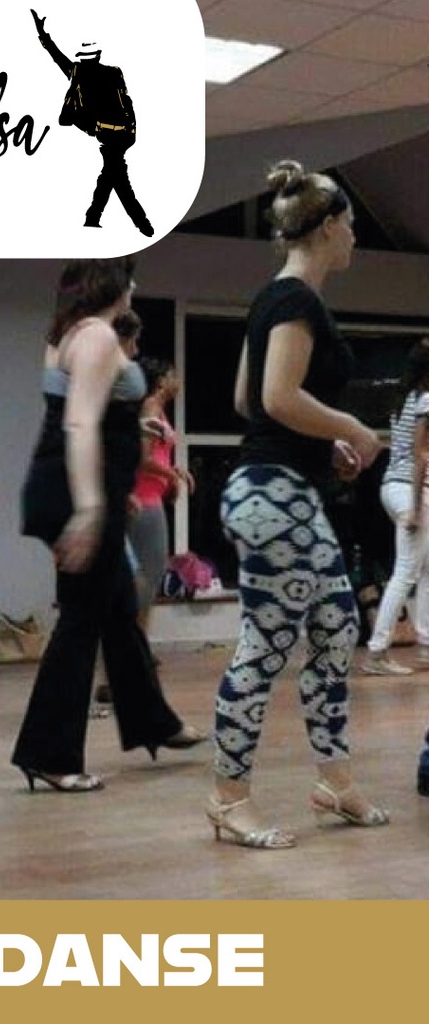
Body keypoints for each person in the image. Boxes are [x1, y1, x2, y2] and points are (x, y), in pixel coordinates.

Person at [209, 160, 389, 849]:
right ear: (328, 226)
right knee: (265, 645)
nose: (355, 237)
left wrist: (324, 443)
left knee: (338, 627)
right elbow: (278, 398)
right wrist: (352, 429)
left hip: (283, 489)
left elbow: (246, 399)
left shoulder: (274, 298)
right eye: (351, 224)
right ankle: (228, 798)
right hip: (272, 495)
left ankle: (334, 782)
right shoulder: (296, 301)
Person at [12, 259, 203, 793]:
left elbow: (90, 418)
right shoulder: (96, 336)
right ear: (113, 285)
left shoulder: (68, 333)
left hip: (71, 487)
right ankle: (49, 755)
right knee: (81, 620)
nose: (135, 286)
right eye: (129, 278)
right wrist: (92, 508)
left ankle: (152, 721)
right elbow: (78, 424)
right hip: (75, 494)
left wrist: (116, 488)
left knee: (120, 609)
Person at [30, 8, 152, 236]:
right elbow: (127, 102)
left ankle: (136, 223)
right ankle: (98, 219)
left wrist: (43, 35)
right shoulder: (114, 72)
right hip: (122, 134)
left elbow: (57, 57)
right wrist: (131, 130)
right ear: (98, 55)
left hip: (109, 134)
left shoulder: (79, 71)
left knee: (115, 179)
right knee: (112, 176)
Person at [361, 340, 429, 676]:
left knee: (426, 568)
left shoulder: (403, 401)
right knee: (406, 572)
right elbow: (421, 457)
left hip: (392, 486)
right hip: (410, 491)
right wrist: (415, 507)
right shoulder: (427, 401)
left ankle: (426, 646)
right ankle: (376, 653)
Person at [128, 358, 194, 628]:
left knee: (148, 571)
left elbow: (156, 455)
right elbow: (143, 459)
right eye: (173, 375)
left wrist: (172, 470)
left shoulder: (157, 409)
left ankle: (136, 637)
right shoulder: (151, 407)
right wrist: (171, 476)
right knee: (151, 570)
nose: (178, 381)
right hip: (143, 498)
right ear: (161, 381)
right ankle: (135, 637)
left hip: (149, 496)